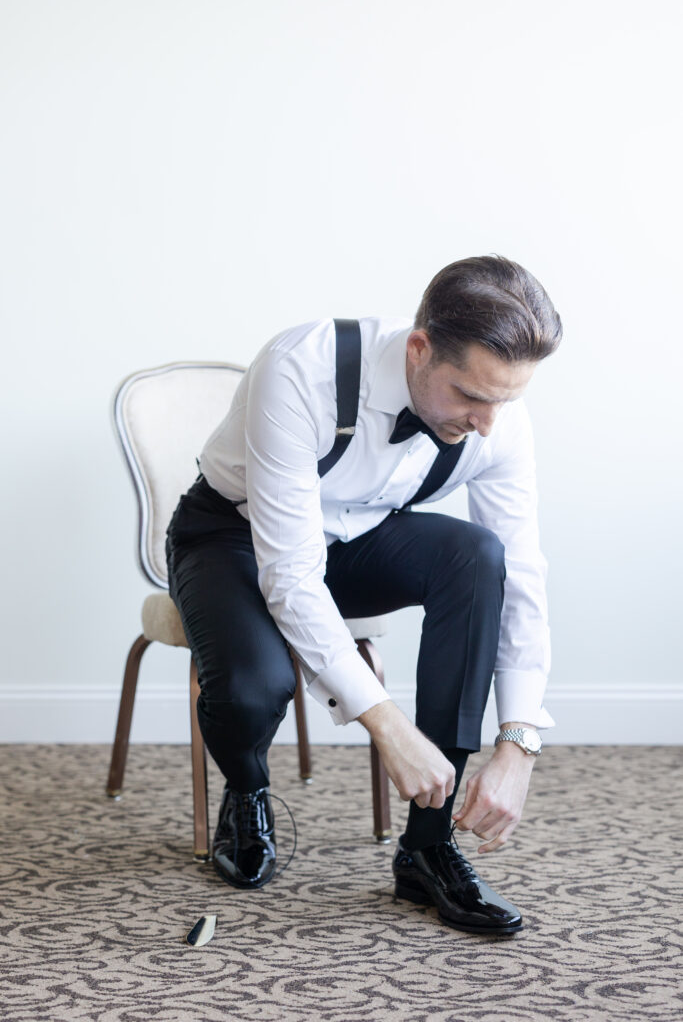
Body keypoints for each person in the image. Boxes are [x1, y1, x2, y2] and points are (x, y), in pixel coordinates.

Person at [165, 254, 562, 936]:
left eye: (507, 399)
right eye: (472, 396)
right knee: (257, 685)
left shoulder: (497, 421)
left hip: (359, 536)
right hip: (230, 534)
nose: (488, 422)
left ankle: (428, 845)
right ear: (417, 349)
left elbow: (521, 577)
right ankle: (247, 790)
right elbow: (289, 573)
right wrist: (388, 727)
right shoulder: (301, 368)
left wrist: (517, 744)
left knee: (477, 557)